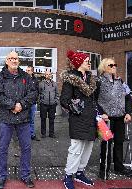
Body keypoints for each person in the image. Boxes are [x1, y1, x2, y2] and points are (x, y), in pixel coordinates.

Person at [0, 51, 38, 189]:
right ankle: (2, 176)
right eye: (11, 58)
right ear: (6, 61)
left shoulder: (25, 76)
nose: (14, 60)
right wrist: (13, 105)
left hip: (23, 119)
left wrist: (21, 105)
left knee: (26, 148)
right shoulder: (0, 77)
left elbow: (33, 93)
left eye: (16, 58)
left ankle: (25, 175)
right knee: (2, 149)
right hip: (6, 119)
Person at [60, 50, 98, 189]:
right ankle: (68, 175)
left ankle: (80, 173)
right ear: (79, 63)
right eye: (86, 60)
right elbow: (64, 100)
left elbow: (95, 100)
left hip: (91, 119)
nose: (89, 62)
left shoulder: (91, 79)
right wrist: (74, 107)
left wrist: (100, 113)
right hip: (78, 119)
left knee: (88, 147)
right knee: (76, 149)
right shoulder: (71, 79)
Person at [97, 58, 132, 179]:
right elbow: (93, 100)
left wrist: (128, 112)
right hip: (106, 119)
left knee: (119, 142)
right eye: (110, 65)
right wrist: (100, 113)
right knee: (106, 144)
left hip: (120, 118)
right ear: (103, 67)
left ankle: (119, 167)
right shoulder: (99, 81)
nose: (114, 66)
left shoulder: (120, 81)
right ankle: (104, 169)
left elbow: (128, 97)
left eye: (115, 64)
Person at [39, 70, 59, 138]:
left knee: (52, 119)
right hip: (43, 104)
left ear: (51, 75)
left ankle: (51, 133)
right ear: (45, 75)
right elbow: (38, 93)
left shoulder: (55, 84)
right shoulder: (41, 84)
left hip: (52, 104)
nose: (48, 75)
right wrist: (40, 101)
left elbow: (57, 94)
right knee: (43, 119)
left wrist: (56, 101)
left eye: (49, 74)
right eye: (47, 74)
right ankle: (43, 134)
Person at [25, 66, 40, 141]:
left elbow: (37, 91)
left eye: (28, 70)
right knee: (24, 120)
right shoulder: (23, 79)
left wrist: (35, 99)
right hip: (25, 104)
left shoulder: (35, 80)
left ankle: (32, 134)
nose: (27, 72)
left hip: (33, 104)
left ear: (32, 72)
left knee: (31, 120)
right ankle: (24, 135)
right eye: (26, 70)